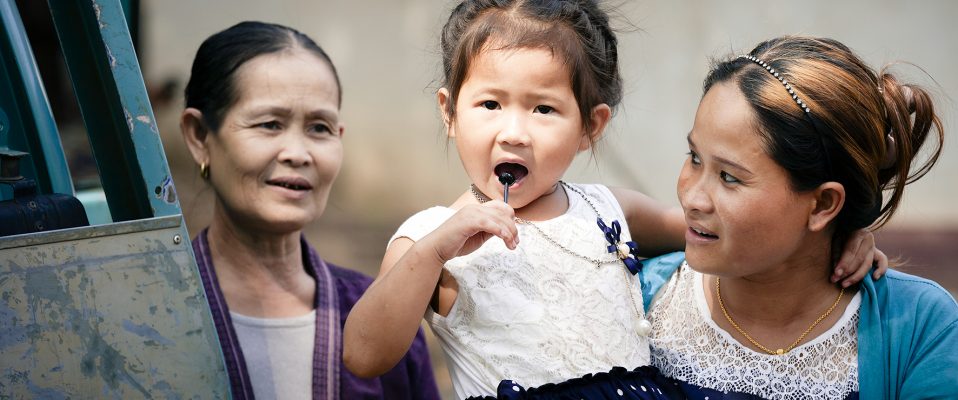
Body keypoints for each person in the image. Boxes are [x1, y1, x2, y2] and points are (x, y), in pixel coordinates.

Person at [342, 2, 884, 397]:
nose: (513, 132)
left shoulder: (608, 208)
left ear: (590, 127)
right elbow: (364, 355)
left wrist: (842, 235)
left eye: (543, 109)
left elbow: (720, 231)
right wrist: (433, 252)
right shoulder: (433, 235)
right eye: (489, 103)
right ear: (449, 111)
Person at [179, 21, 440, 399]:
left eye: (319, 128)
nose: (299, 154)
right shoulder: (147, 313)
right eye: (270, 124)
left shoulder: (383, 322)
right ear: (200, 137)